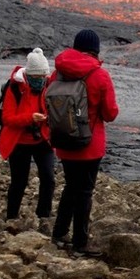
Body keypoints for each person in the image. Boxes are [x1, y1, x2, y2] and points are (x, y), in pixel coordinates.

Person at [50, 29, 119, 257]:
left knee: (70, 187)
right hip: (90, 145)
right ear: (95, 50)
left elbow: (46, 102)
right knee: (84, 192)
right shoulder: (100, 75)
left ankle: (59, 233)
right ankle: (80, 242)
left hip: (63, 141)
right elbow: (110, 114)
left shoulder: (57, 73)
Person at [0, 48, 55, 227]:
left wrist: (49, 118)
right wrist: (30, 118)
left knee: (48, 178)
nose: (40, 80)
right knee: (19, 181)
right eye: (37, 77)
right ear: (29, 74)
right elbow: (8, 118)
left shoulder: (48, 86)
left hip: (42, 139)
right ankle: (11, 217)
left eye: (43, 77)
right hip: (20, 141)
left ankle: (43, 215)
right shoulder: (15, 87)